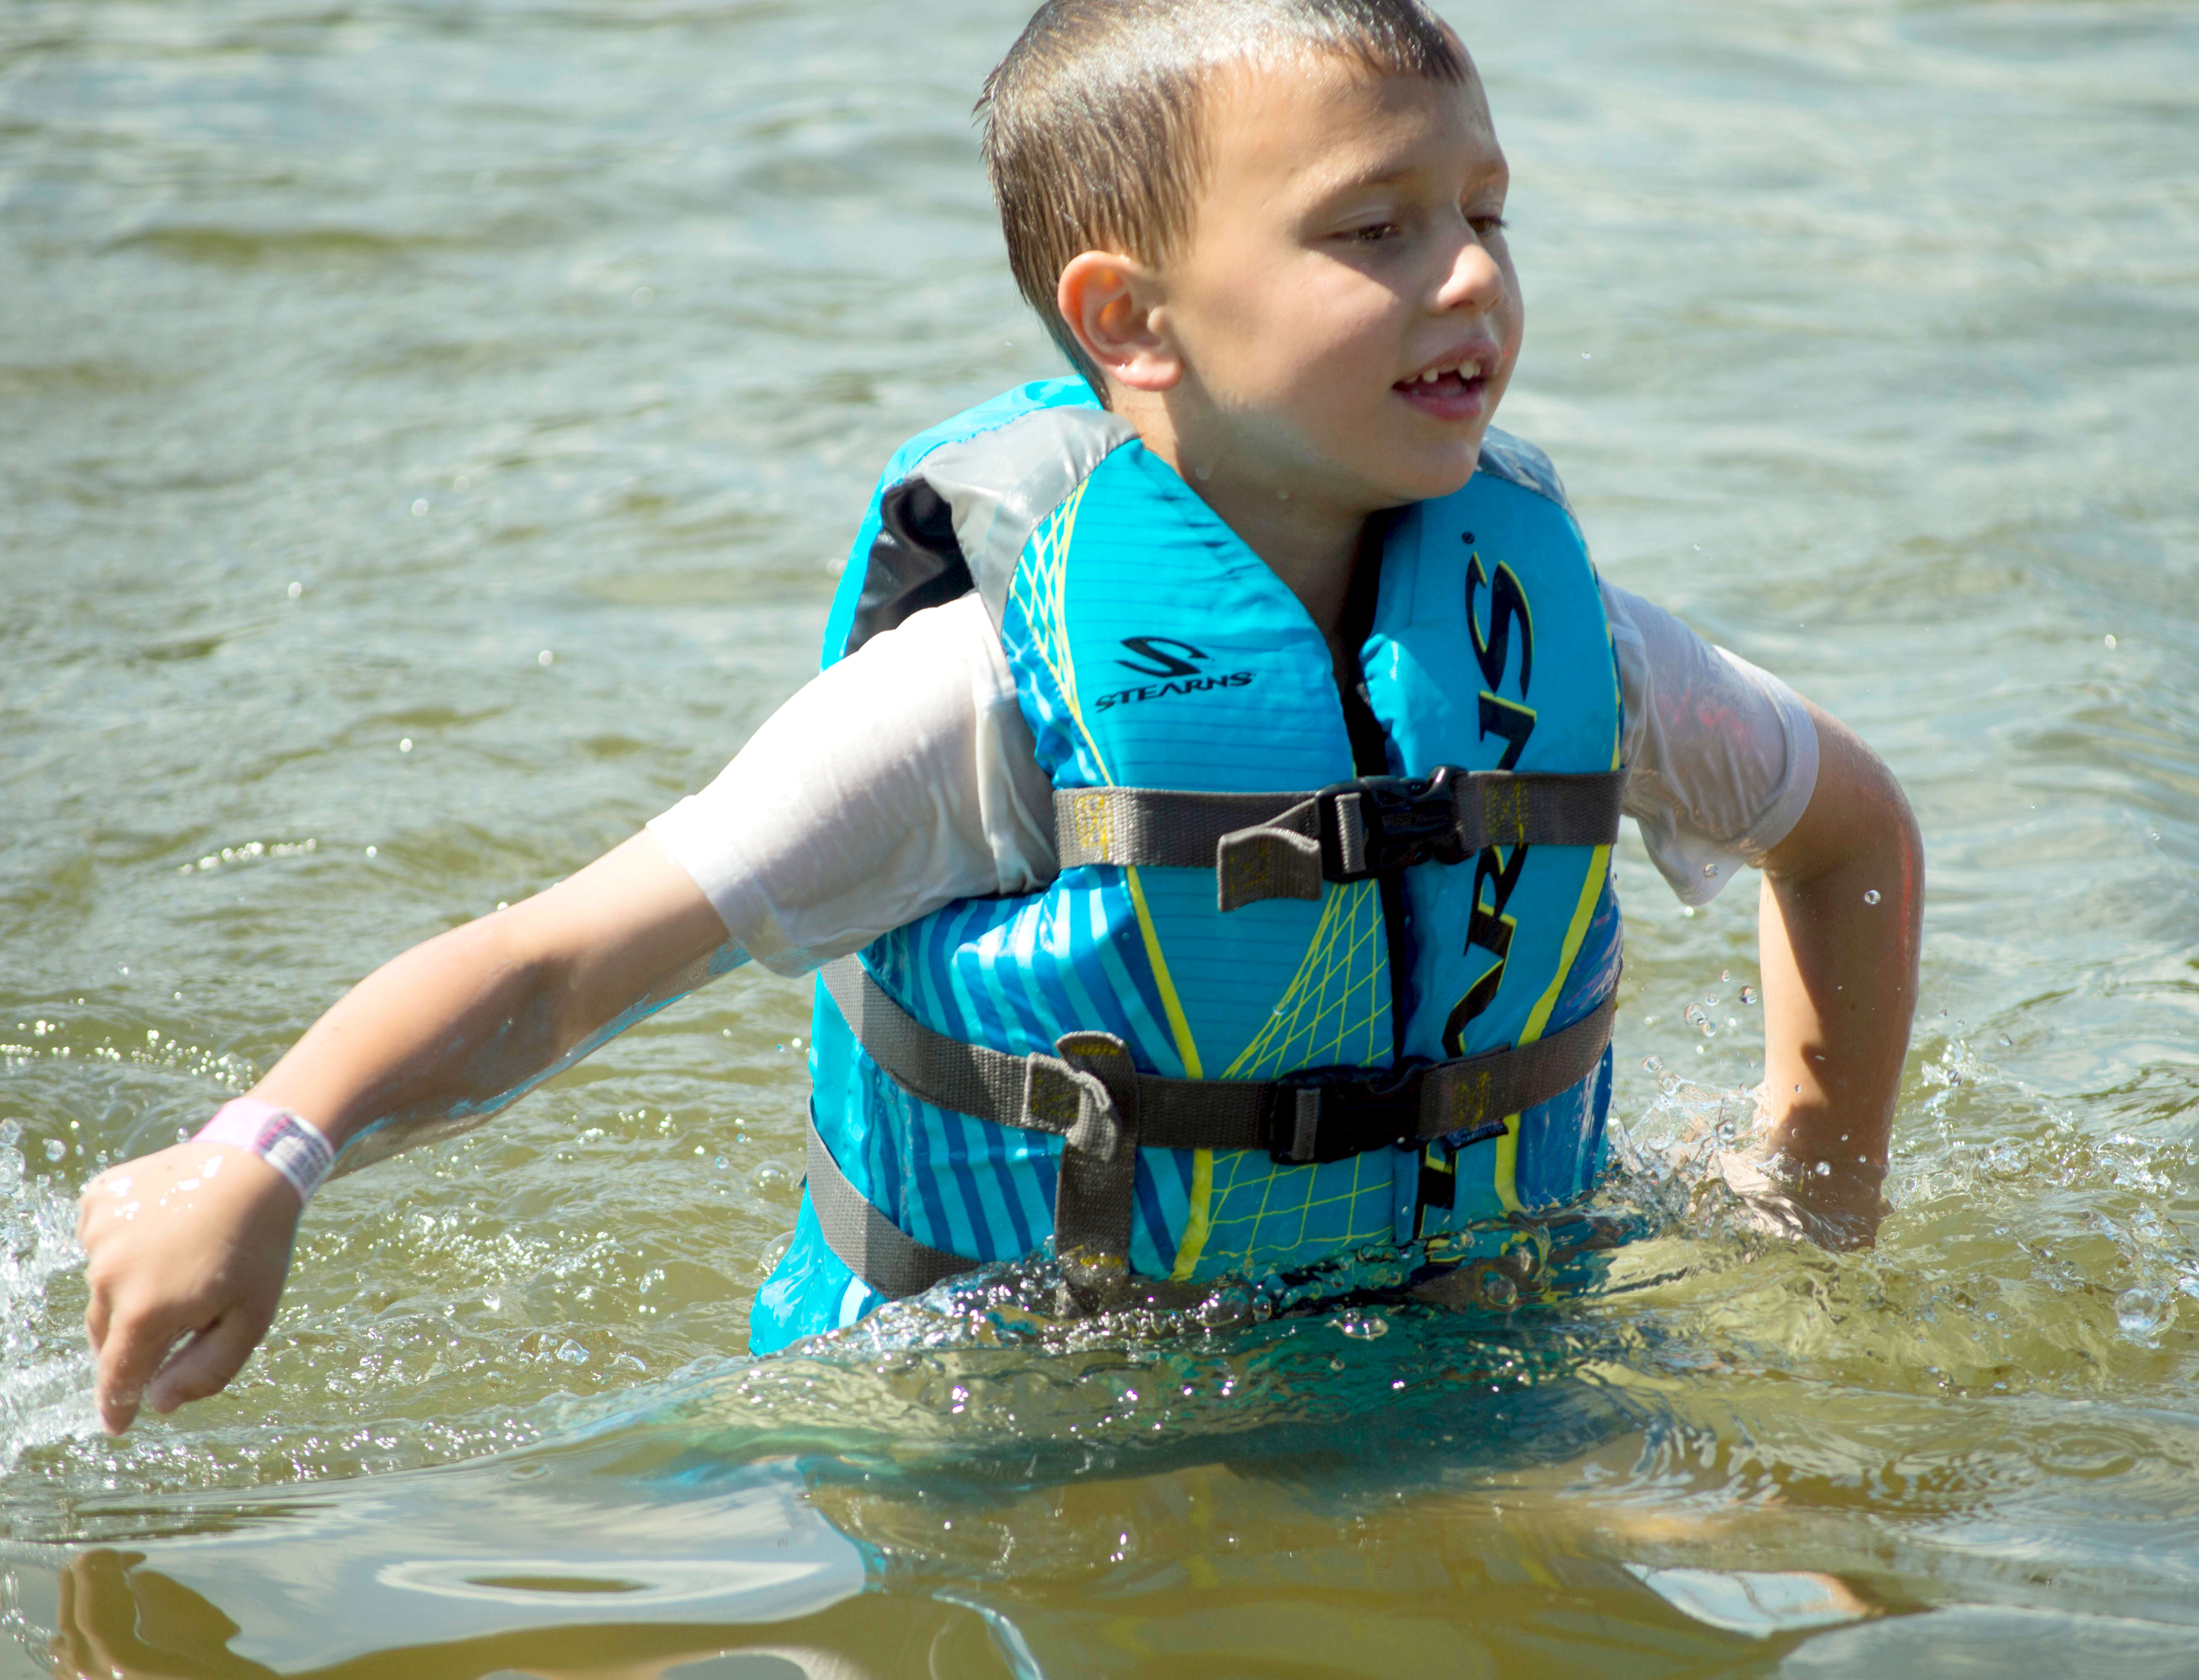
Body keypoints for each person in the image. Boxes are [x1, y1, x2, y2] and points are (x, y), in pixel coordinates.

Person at [76, 0, 1922, 1436]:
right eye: (1371, 228)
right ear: (1132, 321)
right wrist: (271, 1155)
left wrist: (1815, 1213)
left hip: (1486, 1365)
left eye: (1487, 210)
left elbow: (1847, 834)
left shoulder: (1559, 638)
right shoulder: (979, 702)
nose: (1470, 277)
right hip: (1034, 1410)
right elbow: (564, 957)